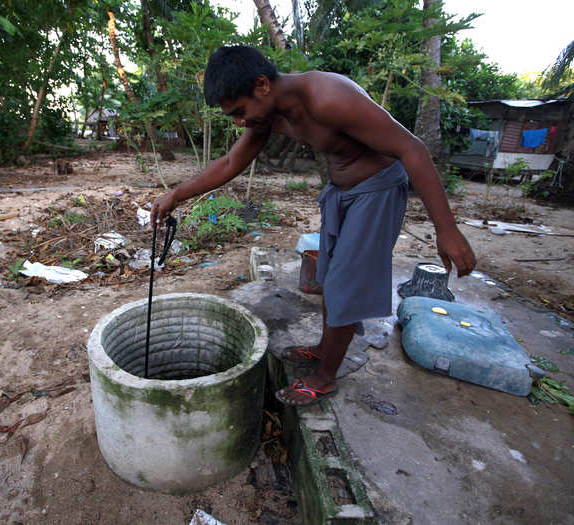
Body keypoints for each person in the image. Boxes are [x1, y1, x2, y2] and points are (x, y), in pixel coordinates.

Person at [151, 45, 476, 406]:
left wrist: (446, 230)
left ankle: (324, 378)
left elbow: (412, 148)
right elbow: (230, 162)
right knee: (329, 276)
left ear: (262, 85)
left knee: (343, 284)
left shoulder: (327, 97)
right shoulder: (269, 116)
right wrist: (176, 195)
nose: (239, 122)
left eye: (240, 112)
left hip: (378, 190)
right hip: (341, 192)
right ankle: (325, 349)